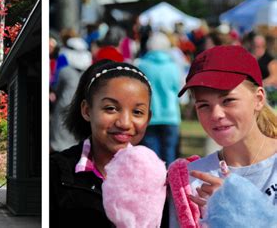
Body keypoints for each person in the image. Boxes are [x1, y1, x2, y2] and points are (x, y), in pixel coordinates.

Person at [169, 45, 277, 226]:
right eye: (204, 105)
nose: (216, 114)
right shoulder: (190, 182)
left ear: (258, 99)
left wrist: (240, 209)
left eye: (228, 100)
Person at [50, 60, 160, 226]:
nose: (124, 123)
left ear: (148, 118)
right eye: (111, 108)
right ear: (87, 110)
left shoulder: (160, 179)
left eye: (137, 112)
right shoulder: (56, 173)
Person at [135, 32, 181, 166]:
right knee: (170, 153)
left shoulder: (142, 65)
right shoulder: (173, 66)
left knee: (152, 156)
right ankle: (170, 184)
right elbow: (178, 89)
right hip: (171, 115)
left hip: (150, 114)